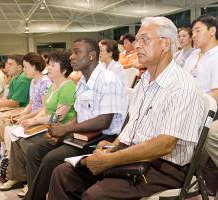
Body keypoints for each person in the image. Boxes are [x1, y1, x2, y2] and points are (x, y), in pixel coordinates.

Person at [48, 16, 205, 200]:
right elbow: (132, 127)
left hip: (163, 166)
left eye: (144, 39)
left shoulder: (183, 86)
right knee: (63, 174)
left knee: (95, 195)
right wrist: (111, 146)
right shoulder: (144, 81)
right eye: (137, 39)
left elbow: (165, 144)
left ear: (165, 44)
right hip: (130, 155)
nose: (136, 45)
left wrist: (111, 159)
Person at [23, 38, 127, 200]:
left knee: (51, 159)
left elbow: (104, 121)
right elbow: (80, 116)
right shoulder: (82, 82)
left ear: (92, 55)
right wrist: (61, 133)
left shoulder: (109, 80)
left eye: (76, 52)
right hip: (81, 135)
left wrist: (65, 129)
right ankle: (37, 194)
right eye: (72, 52)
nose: (71, 56)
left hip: (102, 139)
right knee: (34, 150)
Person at [0, 50, 73, 193]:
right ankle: (18, 177)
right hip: (47, 124)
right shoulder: (53, 86)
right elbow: (45, 108)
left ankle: (36, 182)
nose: (48, 68)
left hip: (59, 128)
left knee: (27, 143)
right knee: (16, 140)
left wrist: (34, 121)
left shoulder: (68, 87)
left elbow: (58, 117)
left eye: (52, 65)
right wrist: (30, 119)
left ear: (63, 69)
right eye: (49, 64)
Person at [183, 14, 218, 193]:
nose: (193, 35)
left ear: (212, 31)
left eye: (198, 31)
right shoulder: (193, 55)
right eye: (193, 31)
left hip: (210, 111)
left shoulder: (217, 56)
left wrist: (190, 108)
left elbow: (216, 94)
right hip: (190, 107)